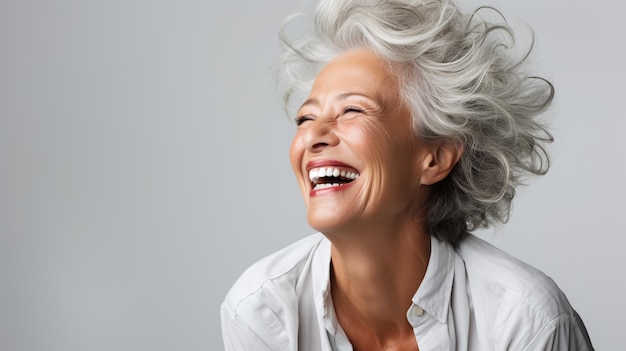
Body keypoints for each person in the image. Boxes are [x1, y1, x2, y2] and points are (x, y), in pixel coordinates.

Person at [221, 0, 594, 349]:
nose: (313, 136)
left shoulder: (525, 321)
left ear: (435, 158)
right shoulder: (263, 311)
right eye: (306, 117)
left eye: (352, 110)